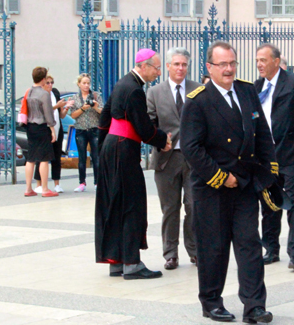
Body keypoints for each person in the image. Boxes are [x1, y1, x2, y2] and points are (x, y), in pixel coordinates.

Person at [180, 41, 276, 324]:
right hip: (212, 187)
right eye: (223, 64)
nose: (229, 69)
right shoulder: (198, 100)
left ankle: (255, 305)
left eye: (232, 63)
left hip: (245, 184)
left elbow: (262, 133)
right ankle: (211, 301)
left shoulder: (247, 91)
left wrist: (269, 172)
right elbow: (191, 148)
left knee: (249, 244)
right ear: (209, 67)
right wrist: (222, 177)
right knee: (214, 248)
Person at [95, 49, 172, 280]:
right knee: (132, 204)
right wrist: (162, 140)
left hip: (114, 147)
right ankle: (132, 263)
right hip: (123, 149)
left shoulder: (122, 84)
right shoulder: (135, 90)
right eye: (156, 68)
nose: (158, 73)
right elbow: (143, 127)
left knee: (116, 204)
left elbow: (104, 119)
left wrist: (103, 150)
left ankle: (116, 261)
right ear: (143, 65)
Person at [254, 43, 294, 271]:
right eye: (257, 60)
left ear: (276, 62)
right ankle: (271, 249)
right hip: (267, 157)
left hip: (290, 154)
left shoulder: (292, 79)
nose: (259, 64)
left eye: (263, 60)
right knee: (269, 204)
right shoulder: (257, 86)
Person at [147, 47, 200, 270]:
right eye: (176, 64)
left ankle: (195, 251)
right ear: (167, 66)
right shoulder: (155, 92)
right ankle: (170, 253)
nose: (180, 68)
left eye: (184, 64)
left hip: (194, 159)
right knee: (170, 208)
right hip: (166, 158)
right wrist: (160, 139)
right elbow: (148, 124)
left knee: (193, 206)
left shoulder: (198, 89)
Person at [23, 67, 58, 198]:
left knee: (31, 158)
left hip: (30, 126)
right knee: (44, 158)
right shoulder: (44, 94)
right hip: (41, 126)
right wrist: (52, 129)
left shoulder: (29, 91)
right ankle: (44, 188)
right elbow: (48, 115)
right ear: (43, 79)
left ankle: (28, 188)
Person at [67, 74, 103, 191]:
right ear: (79, 84)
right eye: (84, 83)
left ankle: (97, 182)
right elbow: (72, 115)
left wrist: (96, 107)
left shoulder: (96, 96)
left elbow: (103, 113)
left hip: (94, 129)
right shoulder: (75, 98)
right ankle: (82, 182)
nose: (86, 85)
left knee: (96, 157)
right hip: (81, 130)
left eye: (88, 83)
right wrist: (83, 108)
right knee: (82, 157)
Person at [33, 74, 68, 193]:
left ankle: (57, 183)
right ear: (42, 84)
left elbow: (61, 115)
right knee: (42, 157)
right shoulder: (40, 95)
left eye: (52, 82)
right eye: (47, 83)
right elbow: (42, 111)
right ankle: (39, 183)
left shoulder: (55, 93)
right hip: (44, 129)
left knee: (56, 157)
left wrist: (64, 108)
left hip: (57, 128)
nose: (50, 85)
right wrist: (55, 106)